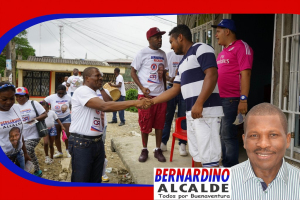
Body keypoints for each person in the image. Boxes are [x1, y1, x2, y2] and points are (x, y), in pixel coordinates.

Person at [149, 24, 224, 167]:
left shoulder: (202, 48)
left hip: (206, 112)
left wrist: (199, 103)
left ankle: (211, 188)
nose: (171, 46)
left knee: (210, 157)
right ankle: (198, 187)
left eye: (171, 42)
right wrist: (152, 102)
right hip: (193, 113)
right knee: (197, 155)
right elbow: (175, 89)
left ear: (180, 37)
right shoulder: (182, 62)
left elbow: (212, 74)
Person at [68, 66, 150, 183]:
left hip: (97, 142)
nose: (101, 78)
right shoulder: (82, 91)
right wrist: (135, 102)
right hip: (82, 144)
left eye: (101, 76)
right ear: (87, 78)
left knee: (95, 180)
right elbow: (104, 106)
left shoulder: (96, 92)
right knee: (81, 181)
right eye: (97, 76)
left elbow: (110, 103)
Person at [231, 103, 300, 200]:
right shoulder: (220, 183)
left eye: (273, 135)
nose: (263, 144)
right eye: (254, 135)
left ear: (288, 140)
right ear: (244, 141)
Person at [212, 19, 253, 167]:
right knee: (222, 134)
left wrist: (243, 99)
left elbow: (246, 74)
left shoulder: (241, 47)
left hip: (232, 99)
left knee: (228, 135)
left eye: (218, 32)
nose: (216, 35)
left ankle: (230, 167)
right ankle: (225, 163)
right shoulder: (223, 52)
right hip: (221, 99)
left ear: (227, 31)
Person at [131, 27, 168, 163]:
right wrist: (142, 87)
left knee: (159, 124)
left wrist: (164, 90)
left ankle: (158, 149)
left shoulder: (163, 54)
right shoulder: (142, 53)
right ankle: (144, 149)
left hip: (160, 96)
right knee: (144, 123)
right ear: (149, 39)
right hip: (145, 96)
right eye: (157, 37)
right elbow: (133, 72)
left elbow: (163, 73)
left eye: (161, 37)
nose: (160, 40)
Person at [160, 51, 187, 156]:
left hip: (184, 89)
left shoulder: (187, 54)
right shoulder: (169, 55)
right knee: (168, 117)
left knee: (183, 117)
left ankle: (182, 144)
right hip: (171, 88)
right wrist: (170, 78)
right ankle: (163, 142)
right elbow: (163, 72)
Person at [15, 86, 47, 177]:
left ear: (26, 96)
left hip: (34, 134)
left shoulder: (33, 103)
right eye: (16, 96)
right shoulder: (15, 106)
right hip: (21, 135)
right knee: (31, 153)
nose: (18, 98)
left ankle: (23, 175)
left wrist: (33, 120)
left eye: (21, 96)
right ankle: (37, 171)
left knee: (26, 152)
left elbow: (45, 114)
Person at [0, 82, 30, 170]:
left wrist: (25, 153)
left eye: (12, 98)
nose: (9, 102)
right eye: (4, 99)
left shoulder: (16, 108)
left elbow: (20, 134)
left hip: (19, 155)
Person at [44, 85, 72, 158]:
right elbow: (42, 102)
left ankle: (68, 150)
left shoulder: (69, 97)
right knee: (56, 136)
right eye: (59, 93)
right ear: (56, 91)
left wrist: (68, 108)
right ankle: (60, 152)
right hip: (55, 118)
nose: (61, 95)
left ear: (65, 92)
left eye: (62, 93)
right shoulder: (51, 97)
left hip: (66, 117)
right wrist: (47, 109)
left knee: (67, 133)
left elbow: (73, 105)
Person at [96, 72, 113, 182]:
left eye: (101, 79)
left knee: (101, 148)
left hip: (102, 125)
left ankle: (102, 172)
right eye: (97, 78)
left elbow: (110, 103)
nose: (99, 80)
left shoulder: (104, 91)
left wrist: (101, 89)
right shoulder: (85, 90)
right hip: (88, 127)